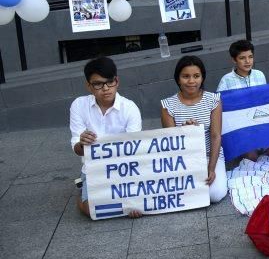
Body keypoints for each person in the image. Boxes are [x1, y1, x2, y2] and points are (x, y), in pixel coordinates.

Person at [69, 56, 143, 218]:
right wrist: (82, 143)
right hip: (94, 169)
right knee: (91, 210)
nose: (105, 88)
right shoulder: (78, 105)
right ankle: (81, 193)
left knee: (139, 206)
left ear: (117, 81)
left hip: (125, 168)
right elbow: (77, 148)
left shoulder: (130, 108)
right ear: (89, 86)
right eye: (98, 84)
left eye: (110, 81)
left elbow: (135, 149)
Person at [161, 55, 228, 203]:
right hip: (183, 158)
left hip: (209, 155)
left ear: (202, 78)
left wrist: (211, 168)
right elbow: (170, 142)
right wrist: (183, 132)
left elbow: (216, 136)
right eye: (186, 76)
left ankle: (219, 172)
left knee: (215, 194)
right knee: (182, 193)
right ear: (178, 79)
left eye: (196, 76)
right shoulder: (167, 105)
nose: (191, 81)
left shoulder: (213, 100)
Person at [216, 39, 269, 160]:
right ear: (234, 60)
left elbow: (265, 99)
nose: (247, 61)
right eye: (242, 58)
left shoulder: (259, 75)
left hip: (261, 123)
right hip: (242, 129)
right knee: (250, 157)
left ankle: (261, 156)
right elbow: (219, 106)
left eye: (250, 57)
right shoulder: (226, 80)